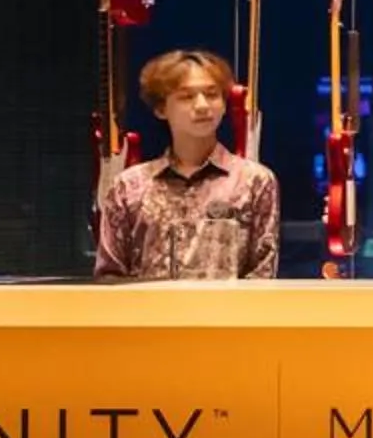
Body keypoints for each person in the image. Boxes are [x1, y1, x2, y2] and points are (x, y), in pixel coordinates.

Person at [94, 49, 281, 281]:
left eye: (212, 95)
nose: (202, 105)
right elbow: (110, 275)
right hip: (148, 315)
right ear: (161, 109)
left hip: (229, 315)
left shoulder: (255, 181)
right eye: (186, 96)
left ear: (224, 104)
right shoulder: (129, 185)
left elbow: (262, 273)